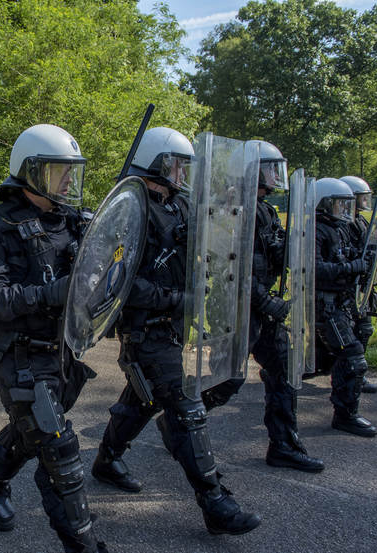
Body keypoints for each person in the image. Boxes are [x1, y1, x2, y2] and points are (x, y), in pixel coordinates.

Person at [90, 127, 261, 535]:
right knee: (185, 410)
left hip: (174, 327)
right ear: (155, 163)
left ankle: (107, 459)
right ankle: (216, 502)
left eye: (186, 166)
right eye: (176, 165)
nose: (182, 173)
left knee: (142, 400)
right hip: (144, 328)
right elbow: (119, 280)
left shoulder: (181, 205)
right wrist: (177, 299)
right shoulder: (128, 207)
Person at [0, 124, 108, 553]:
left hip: (62, 349)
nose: (68, 180)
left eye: (71, 171)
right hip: (18, 352)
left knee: (31, 434)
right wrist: (51, 293)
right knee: (57, 447)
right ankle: (82, 543)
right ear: (29, 172)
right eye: (58, 170)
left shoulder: (75, 222)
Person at [182, 141, 324, 472]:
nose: (276, 176)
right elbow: (230, 268)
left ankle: (284, 446)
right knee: (226, 380)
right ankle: (181, 424)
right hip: (233, 307)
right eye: (270, 169)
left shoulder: (267, 211)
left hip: (262, 309)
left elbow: (271, 257)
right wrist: (266, 301)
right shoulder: (229, 209)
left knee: (284, 370)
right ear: (252, 173)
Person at [312, 177, 377, 437]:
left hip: (341, 302)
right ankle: (345, 415)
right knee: (352, 355)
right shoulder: (316, 229)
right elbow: (316, 268)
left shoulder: (339, 228)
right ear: (325, 205)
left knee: (346, 355)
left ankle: (345, 410)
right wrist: (350, 268)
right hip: (326, 305)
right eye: (339, 205)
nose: (344, 210)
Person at [340, 175, 377, 393]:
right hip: (347, 287)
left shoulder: (361, 221)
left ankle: (356, 374)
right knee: (351, 334)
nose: (364, 202)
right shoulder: (341, 224)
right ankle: (353, 373)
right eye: (360, 198)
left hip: (362, 286)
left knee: (364, 329)